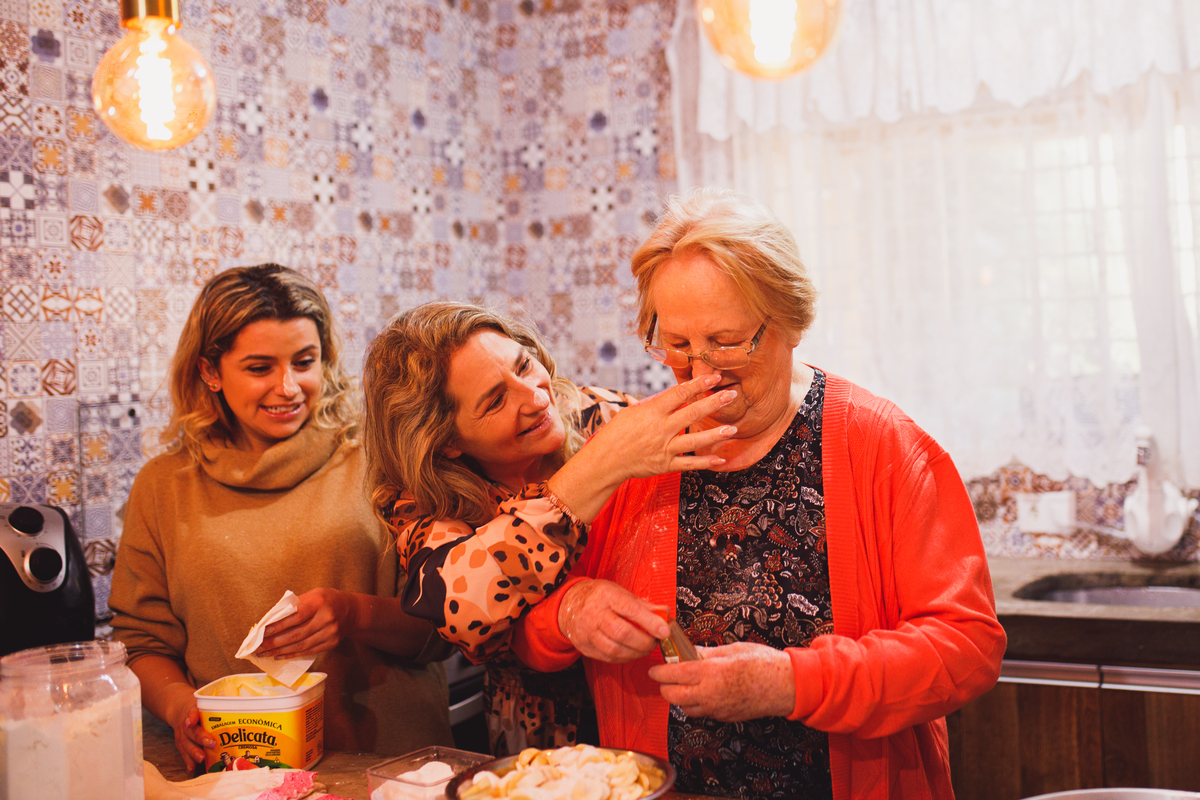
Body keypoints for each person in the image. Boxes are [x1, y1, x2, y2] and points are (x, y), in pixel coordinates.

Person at [512, 188, 1007, 799]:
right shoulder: (630, 450)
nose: (700, 374)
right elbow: (525, 629)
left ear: (792, 322)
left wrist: (789, 682)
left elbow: (967, 648)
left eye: (725, 342)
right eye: (678, 345)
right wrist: (570, 611)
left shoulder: (883, 446)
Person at [109, 264, 454, 773]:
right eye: (259, 367)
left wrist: (351, 613)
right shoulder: (164, 486)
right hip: (240, 772)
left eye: (304, 361)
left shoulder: (382, 458)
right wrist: (184, 708)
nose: (288, 387)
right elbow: (142, 640)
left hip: (391, 766)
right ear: (209, 371)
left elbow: (445, 624)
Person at [361, 302, 736, 755]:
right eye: (495, 400)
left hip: (657, 695)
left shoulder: (599, 414)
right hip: (544, 735)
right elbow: (460, 609)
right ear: (447, 443)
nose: (537, 397)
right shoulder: (420, 500)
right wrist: (599, 468)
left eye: (524, 365)